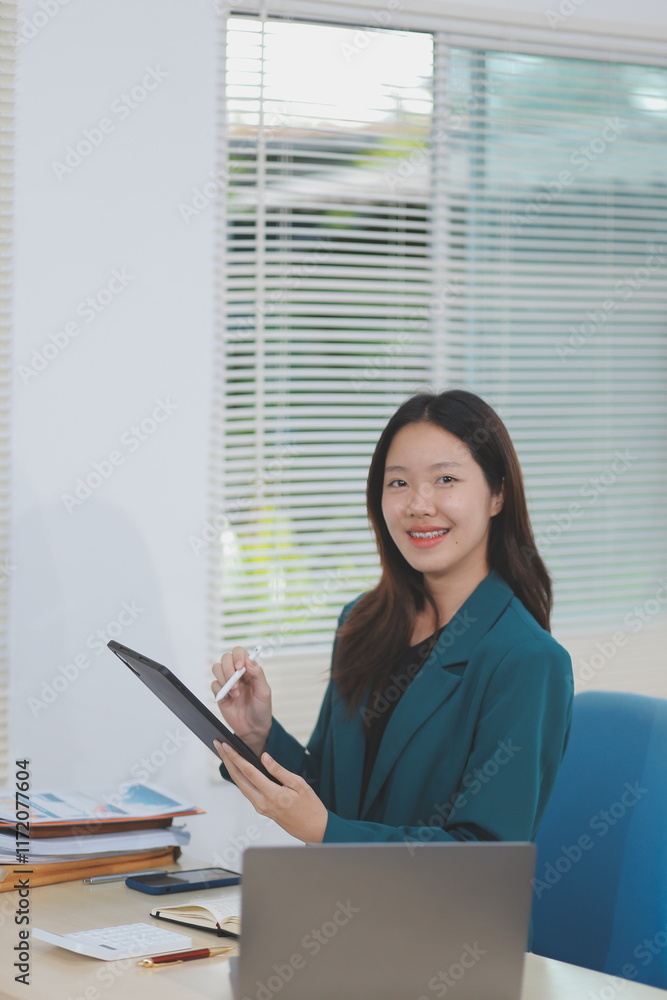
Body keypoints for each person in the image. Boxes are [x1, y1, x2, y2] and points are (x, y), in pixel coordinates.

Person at [211, 388, 573, 846]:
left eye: (445, 480)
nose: (418, 505)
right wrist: (258, 735)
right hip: (348, 908)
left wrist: (326, 832)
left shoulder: (527, 661)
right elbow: (334, 796)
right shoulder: (362, 622)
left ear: (498, 494)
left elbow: (485, 859)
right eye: (398, 482)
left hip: (443, 919)